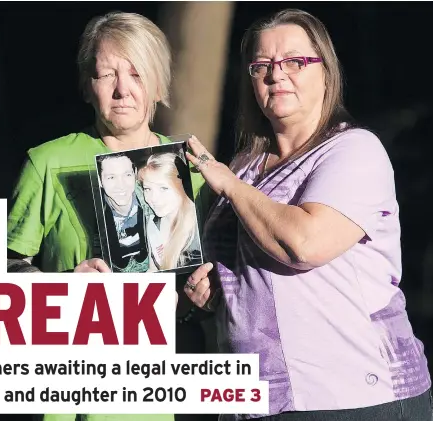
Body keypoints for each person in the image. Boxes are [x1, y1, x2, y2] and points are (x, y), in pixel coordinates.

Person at [182, 8, 433, 421]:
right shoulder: (245, 165)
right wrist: (213, 291)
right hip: (256, 399)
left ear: (326, 73)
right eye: (261, 65)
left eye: (294, 61)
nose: (276, 74)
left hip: (352, 398)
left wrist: (228, 185)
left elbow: (303, 244)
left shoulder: (353, 151)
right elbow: (246, 270)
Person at [7, 10, 216, 421]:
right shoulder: (47, 162)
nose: (122, 90)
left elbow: (224, 278)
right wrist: (62, 288)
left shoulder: (194, 171)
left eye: (137, 74)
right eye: (107, 75)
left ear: (159, 85)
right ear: (88, 87)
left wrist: (205, 295)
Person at [138, 151, 203, 272]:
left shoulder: (196, 234)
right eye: (147, 189)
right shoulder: (152, 223)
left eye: (163, 188)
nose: (153, 198)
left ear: (182, 187)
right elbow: (153, 269)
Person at [97, 152, 151, 272]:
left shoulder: (152, 199)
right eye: (111, 177)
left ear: (135, 174)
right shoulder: (94, 211)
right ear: (100, 181)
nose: (121, 185)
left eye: (127, 175)